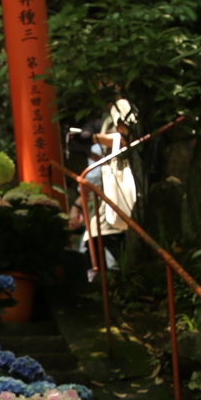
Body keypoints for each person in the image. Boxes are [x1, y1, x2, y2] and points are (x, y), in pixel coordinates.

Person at [69, 97, 139, 277]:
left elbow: (125, 139)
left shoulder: (122, 106)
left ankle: (120, 279)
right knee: (94, 235)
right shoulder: (107, 116)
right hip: (106, 181)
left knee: (107, 233)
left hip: (120, 176)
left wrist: (90, 138)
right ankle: (106, 280)